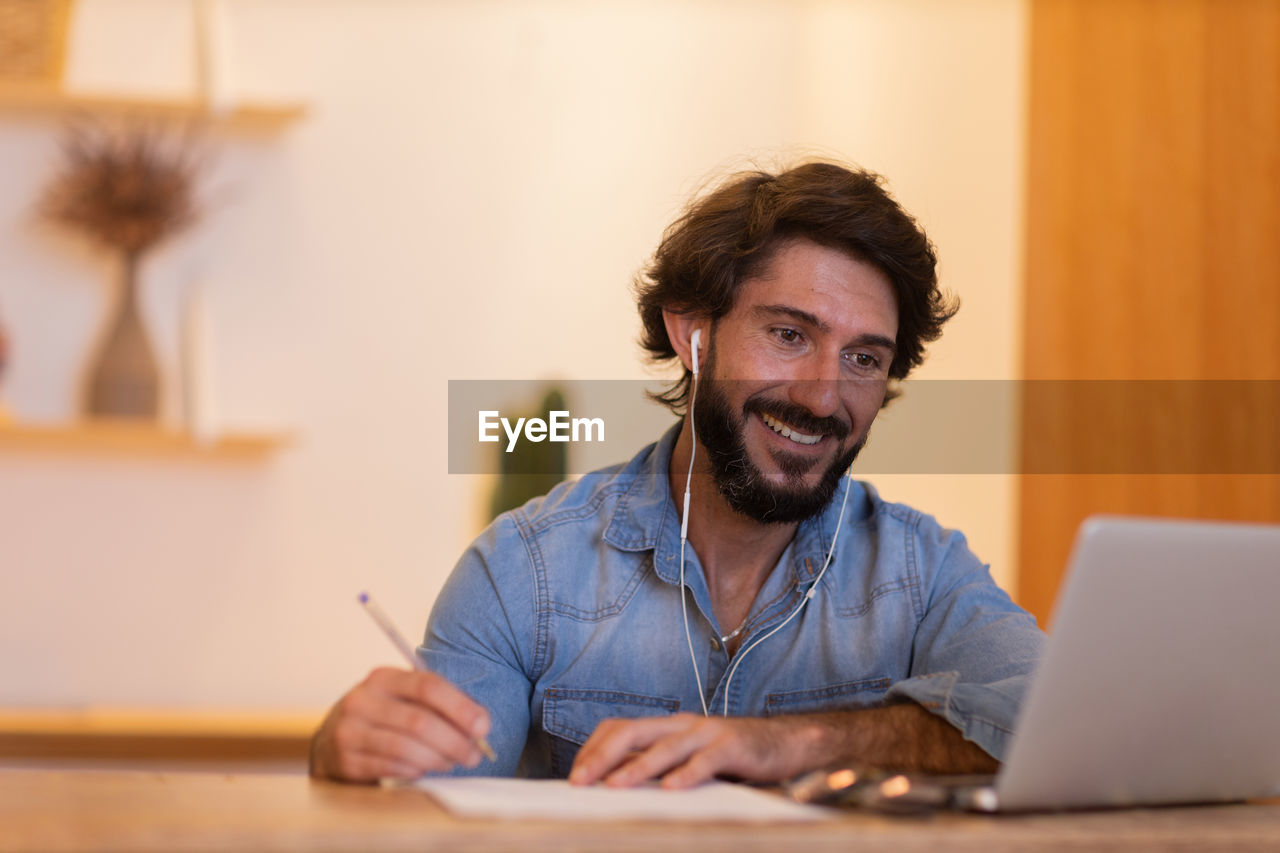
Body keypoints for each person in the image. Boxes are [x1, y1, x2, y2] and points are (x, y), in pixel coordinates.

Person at [310, 161, 1045, 787]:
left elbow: (1049, 718)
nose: (826, 395)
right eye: (790, 335)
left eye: (863, 358)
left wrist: (797, 743)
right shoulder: (525, 571)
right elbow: (432, 799)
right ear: (692, 333)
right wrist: (346, 752)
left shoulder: (923, 573)